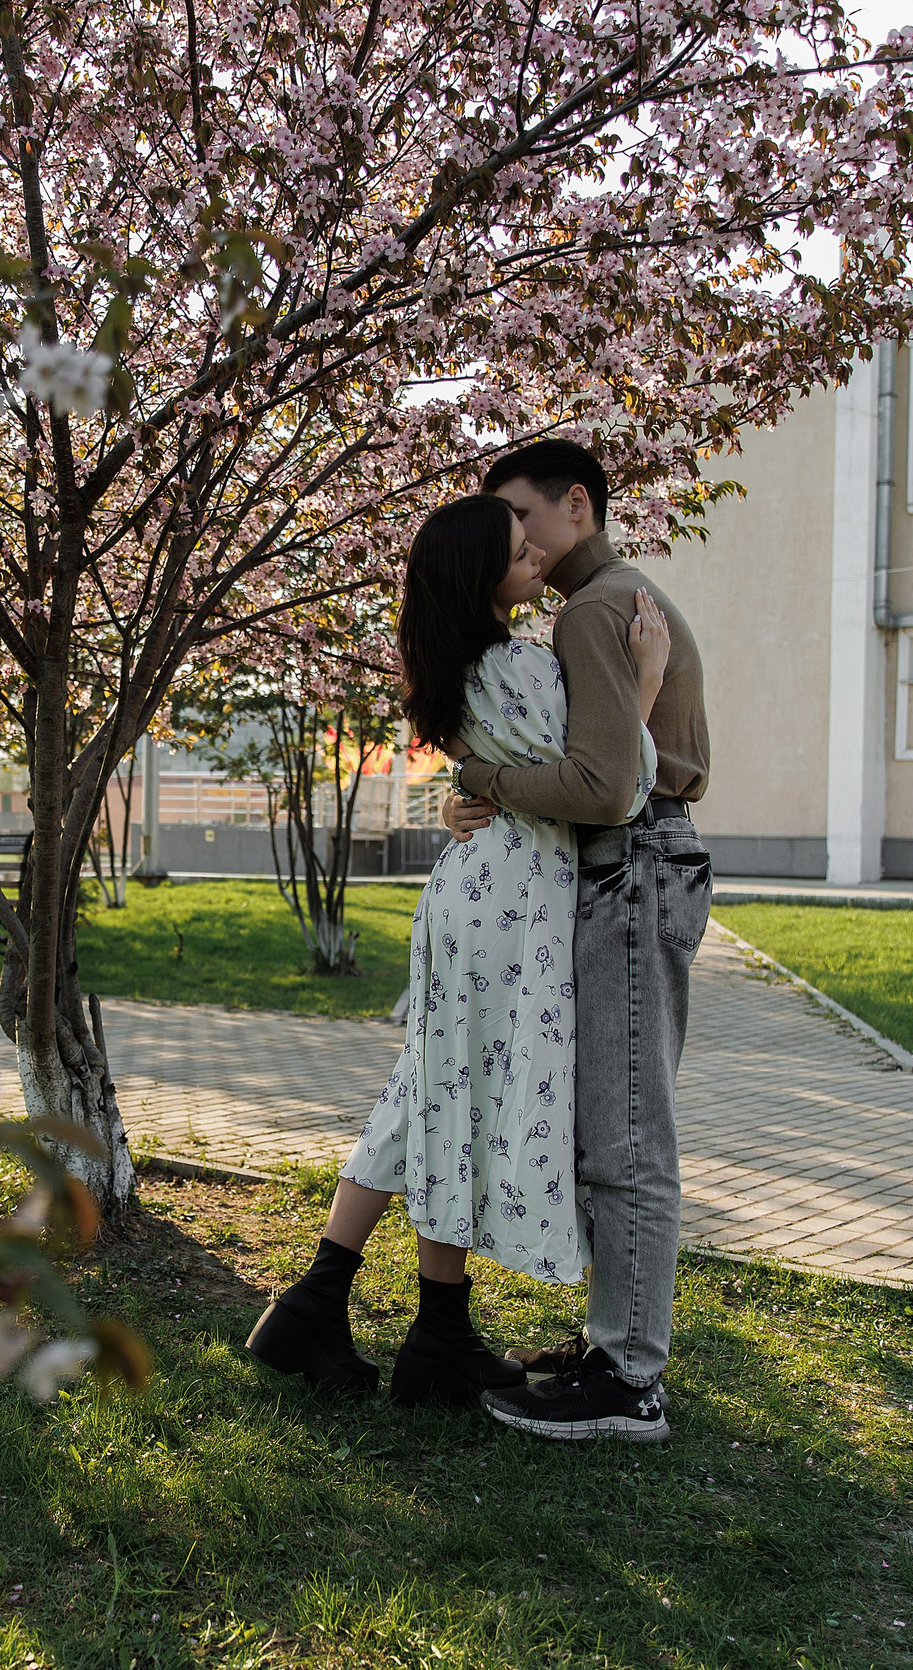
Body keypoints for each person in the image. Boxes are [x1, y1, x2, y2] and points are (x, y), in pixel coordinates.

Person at [244, 490, 670, 1409]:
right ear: (480, 576)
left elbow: (515, 771)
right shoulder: (516, 666)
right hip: (510, 909)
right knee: (454, 1096)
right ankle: (418, 1327)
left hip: (475, 895)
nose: (537, 564)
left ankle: (355, 1313)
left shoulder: (465, 668)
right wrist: (643, 687)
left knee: (431, 1092)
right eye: (520, 555)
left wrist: (474, 784)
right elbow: (612, 784)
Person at [449, 439, 710, 1445]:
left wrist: (485, 781)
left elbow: (603, 785)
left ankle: (631, 1379)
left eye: (521, 516)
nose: (512, 537)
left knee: (628, 1130)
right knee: (610, 1124)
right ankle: (614, 1346)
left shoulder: (599, 610)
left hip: (633, 862)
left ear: (577, 506)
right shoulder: (607, 604)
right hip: (630, 865)